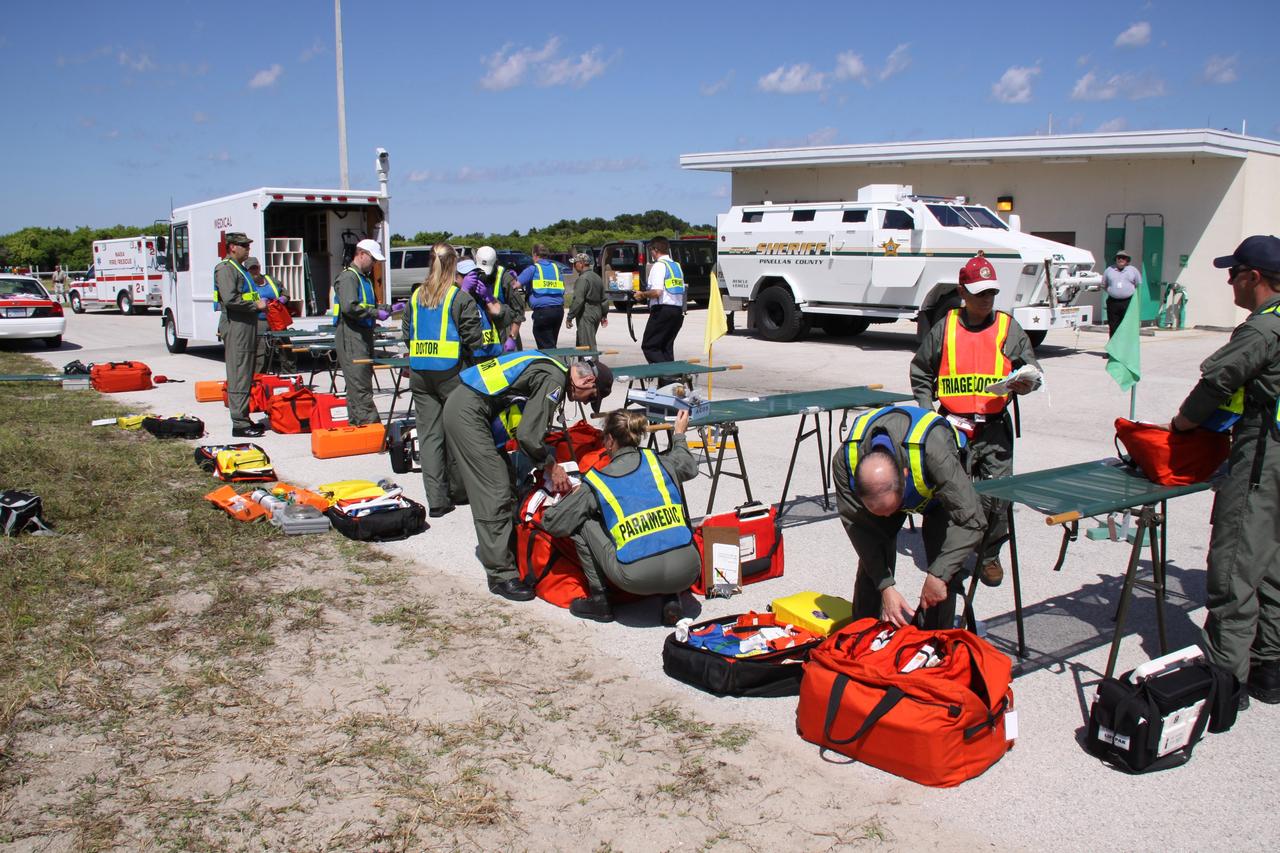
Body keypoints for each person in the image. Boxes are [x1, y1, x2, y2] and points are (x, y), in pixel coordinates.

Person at [1167, 235, 1280, 705]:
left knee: (1233, 569)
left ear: (1253, 277)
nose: (1229, 281)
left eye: (1233, 273)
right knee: (1270, 563)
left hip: (1263, 459)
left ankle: (1223, 686)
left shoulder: (1261, 331)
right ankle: (1269, 667)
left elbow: (1215, 384)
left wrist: (1181, 425)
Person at [910, 254, 1040, 587]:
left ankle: (989, 554)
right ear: (963, 292)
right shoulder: (946, 327)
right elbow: (922, 369)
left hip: (994, 428)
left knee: (996, 496)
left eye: (991, 293)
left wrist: (1026, 383)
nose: (986, 299)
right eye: (979, 293)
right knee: (946, 494)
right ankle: (945, 558)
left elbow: (1032, 371)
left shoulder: (1008, 328)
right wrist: (926, 412)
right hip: (951, 426)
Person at [443, 354, 612, 601]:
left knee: (507, 485)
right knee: (495, 491)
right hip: (469, 415)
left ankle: (509, 554)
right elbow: (528, 437)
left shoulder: (552, 367)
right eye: (592, 398)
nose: (587, 403)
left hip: (471, 408)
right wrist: (551, 467)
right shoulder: (555, 379)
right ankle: (501, 576)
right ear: (588, 380)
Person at [831, 405, 986, 629]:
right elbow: (860, 530)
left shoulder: (935, 450)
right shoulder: (845, 464)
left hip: (939, 496)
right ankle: (863, 637)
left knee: (943, 567)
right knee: (872, 560)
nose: (889, 517)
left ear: (905, 476)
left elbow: (972, 519)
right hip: (905, 483)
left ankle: (934, 642)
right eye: (879, 512)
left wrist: (939, 576)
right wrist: (885, 586)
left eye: (891, 509)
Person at [543, 408, 698, 625]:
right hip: (688, 570)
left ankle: (600, 600)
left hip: (636, 578)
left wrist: (578, 497)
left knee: (582, 522)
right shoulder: (660, 463)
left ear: (608, 441)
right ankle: (671, 600)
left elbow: (554, 523)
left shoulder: (598, 481)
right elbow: (689, 466)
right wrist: (679, 434)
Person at [403, 244, 493, 518]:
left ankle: (437, 500)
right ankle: (460, 490)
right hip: (452, 372)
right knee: (458, 431)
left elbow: (407, 333)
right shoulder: (459, 298)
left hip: (420, 372)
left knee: (430, 437)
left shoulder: (416, 295)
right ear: (453, 265)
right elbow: (476, 340)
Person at [213, 233, 266, 437]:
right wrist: (256, 305)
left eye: (248, 245)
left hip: (247, 324)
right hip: (237, 326)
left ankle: (244, 417)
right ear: (233, 247)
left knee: (246, 372)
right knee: (238, 373)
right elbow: (230, 299)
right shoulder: (226, 268)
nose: (247, 249)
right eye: (244, 246)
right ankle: (239, 423)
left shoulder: (240, 269)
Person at [331, 238, 388, 426]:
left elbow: (367, 304)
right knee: (360, 385)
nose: (374, 264)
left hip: (361, 335)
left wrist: (387, 308)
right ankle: (370, 426)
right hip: (351, 336)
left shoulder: (363, 278)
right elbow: (350, 307)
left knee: (360, 382)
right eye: (373, 259)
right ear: (362, 254)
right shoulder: (349, 277)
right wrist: (376, 314)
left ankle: (358, 425)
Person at [637, 237, 685, 369]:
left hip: (662, 310)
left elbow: (657, 292)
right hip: (677, 311)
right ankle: (668, 386)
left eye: (651, 250)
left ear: (655, 250)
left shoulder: (659, 266)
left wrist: (642, 294)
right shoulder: (676, 266)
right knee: (665, 348)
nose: (651, 254)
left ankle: (671, 376)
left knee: (649, 346)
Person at [474, 245, 526, 351]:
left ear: (495, 264)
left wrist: (512, 337)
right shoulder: (472, 276)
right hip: (484, 335)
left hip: (505, 332)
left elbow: (518, 311)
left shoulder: (505, 278)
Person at [245, 257, 289, 372]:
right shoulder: (248, 284)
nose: (254, 271)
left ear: (259, 267)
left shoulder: (271, 280)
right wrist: (258, 302)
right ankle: (260, 378)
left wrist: (283, 298)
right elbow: (246, 300)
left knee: (285, 348)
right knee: (261, 351)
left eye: (256, 268)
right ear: (247, 270)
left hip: (277, 319)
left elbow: (285, 292)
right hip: (260, 320)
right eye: (251, 269)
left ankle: (290, 376)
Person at [518, 244, 566, 349]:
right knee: (551, 343)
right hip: (558, 311)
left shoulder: (533, 269)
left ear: (535, 255)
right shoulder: (555, 268)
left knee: (546, 347)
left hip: (543, 312)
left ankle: (553, 364)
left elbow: (515, 284)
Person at [565, 251, 609, 350]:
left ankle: (591, 364)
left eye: (575, 263)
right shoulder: (597, 277)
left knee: (587, 346)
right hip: (597, 312)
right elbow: (604, 299)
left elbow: (578, 301)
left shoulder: (583, 279)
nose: (573, 266)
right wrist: (604, 315)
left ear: (581, 263)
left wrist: (570, 317)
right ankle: (584, 363)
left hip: (586, 313)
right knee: (585, 340)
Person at [1103, 250, 1141, 337]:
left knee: (1126, 325)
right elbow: (1104, 285)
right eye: (1118, 257)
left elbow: (1138, 285)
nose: (1121, 259)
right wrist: (1112, 292)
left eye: (1123, 258)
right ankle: (1113, 349)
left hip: (1128, 302)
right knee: (1113, 325)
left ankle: (1125, 349)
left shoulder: (1133, 270)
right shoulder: (1109, 270)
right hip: (1113, 302)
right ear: (1116, 259)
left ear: (1127, 260)